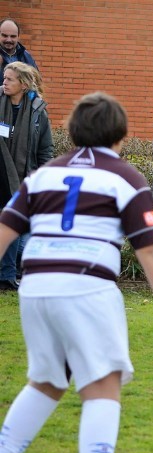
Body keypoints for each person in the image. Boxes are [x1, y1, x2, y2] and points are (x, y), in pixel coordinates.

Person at [0, 92, 153, 453]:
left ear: (73, 131)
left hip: (35, 287)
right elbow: (150, 249)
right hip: (85, 287)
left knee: (47, 380)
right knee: (104, 383)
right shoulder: (125, 177)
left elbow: (5, 227)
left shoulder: (45, 174)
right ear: (119, 133)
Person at [0, 61, 52, 291]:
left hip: (24, 177)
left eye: (9, 79)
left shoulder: (38, 111)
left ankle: (8, 275)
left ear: (22, 84)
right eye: (4, 78)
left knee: (15, 226)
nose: (4, 83)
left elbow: (45, 149)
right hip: (1, 173)